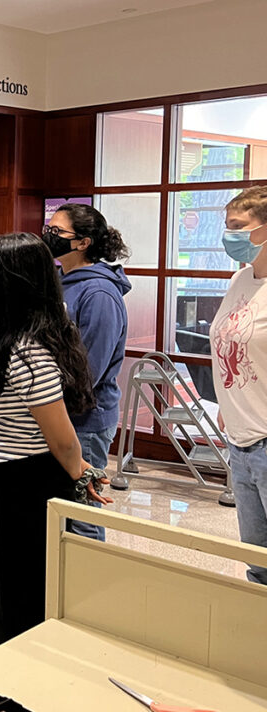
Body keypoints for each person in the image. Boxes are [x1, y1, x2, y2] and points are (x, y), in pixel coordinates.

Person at [0, 233, 112, 646]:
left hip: (27, 482)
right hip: (7, 482)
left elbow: (63, 439)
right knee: (10, 582)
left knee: (25, 590)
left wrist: (82, 474)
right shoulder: (9, 339)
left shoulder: (28, 351)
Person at [42, 204, 132, 541]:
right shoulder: (62, 281)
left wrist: (49, 402)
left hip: (86, 419)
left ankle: (87, 588)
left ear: (83, 243)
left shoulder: (100, 293)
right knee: (60, 509)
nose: (49, 236)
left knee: (80, 511)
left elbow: (88, 370)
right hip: (60, 413)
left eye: (57, 232)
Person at [210, 185, 267, 585]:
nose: (229, 235)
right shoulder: (241, 280)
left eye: (238, 226)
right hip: (241, 443)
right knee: (258, 562)